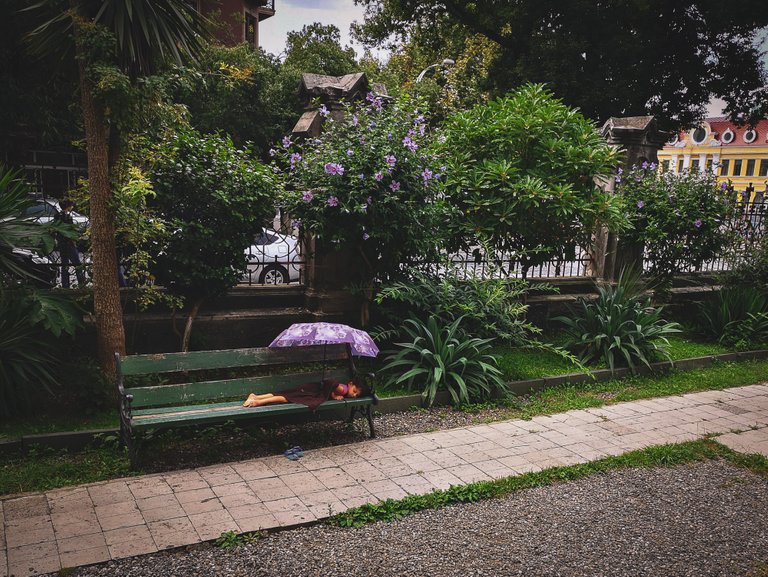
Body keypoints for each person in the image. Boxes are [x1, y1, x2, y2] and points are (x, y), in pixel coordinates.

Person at [243, 378, 362, 410]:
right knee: (286, 398)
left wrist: (332, 393)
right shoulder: (344, 389)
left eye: (357, 395)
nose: (354, 395)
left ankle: (255, 396)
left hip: (310, 389)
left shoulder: (345, 389)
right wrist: (334, 395)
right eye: (355, 391)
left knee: (285, 394)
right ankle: (257, 402)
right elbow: (332, 383)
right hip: (311, 391)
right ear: (350, 384)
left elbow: (331, 386)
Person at [53, 199, 86, 288]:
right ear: (69, 206)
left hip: (61, 242)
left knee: (64, 264)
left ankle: (65, 285)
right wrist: (74, 240)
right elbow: (70, 230)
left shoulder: (57, 216)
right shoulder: (68, 217)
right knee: (77, 264)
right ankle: (81, 283)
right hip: (69, 242)